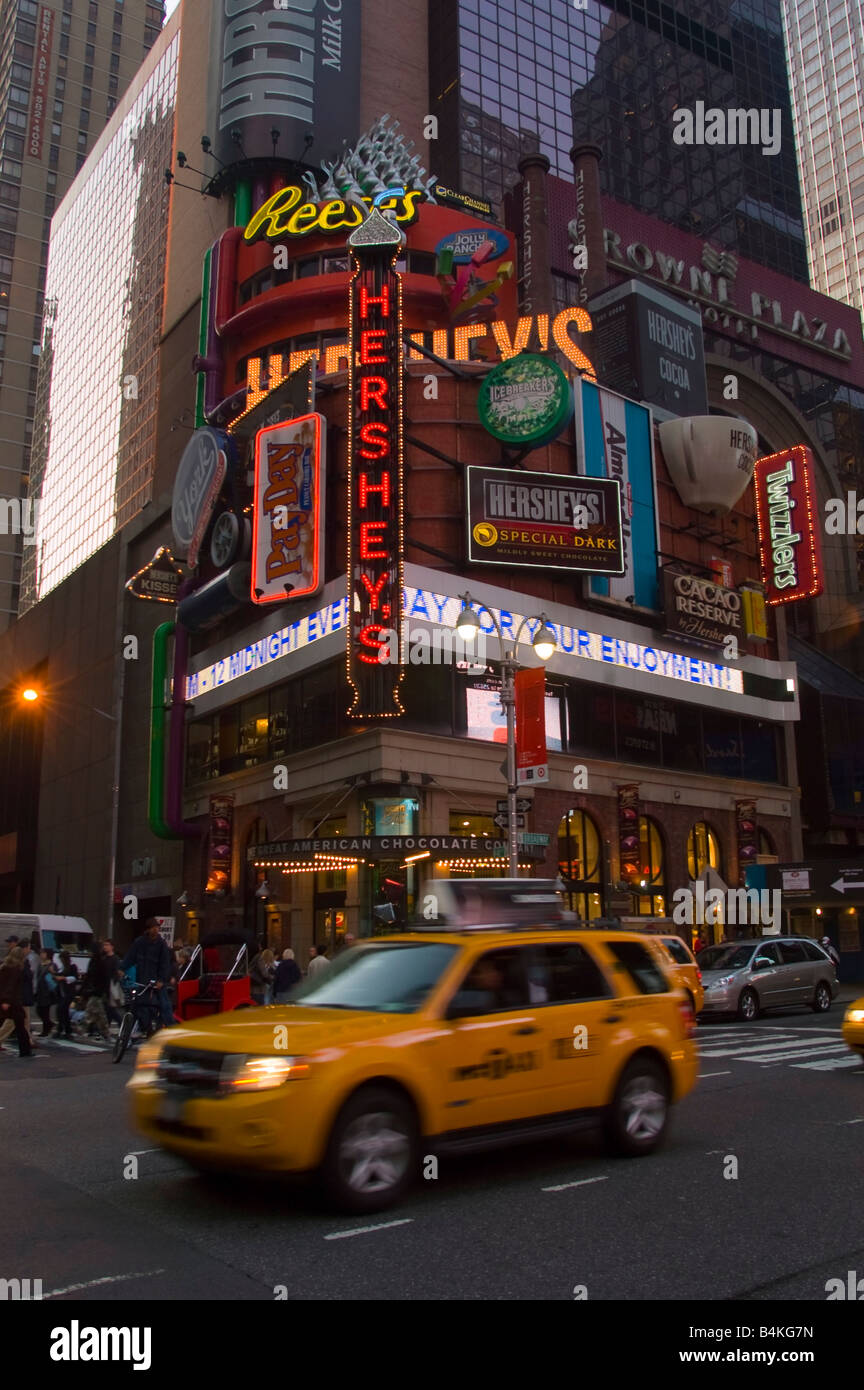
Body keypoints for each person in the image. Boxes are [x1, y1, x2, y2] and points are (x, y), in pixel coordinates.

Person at [120, 919, 175, 1030]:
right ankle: (139, 1028)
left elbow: (165, 964)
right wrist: (121, 969)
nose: (156, 930)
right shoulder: (139, 943)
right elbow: (130, 957)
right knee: (137, 1005)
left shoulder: (162, 944)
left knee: (164, 1005)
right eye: (153, 927)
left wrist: (161, 980)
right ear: (148, 929)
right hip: (142, 981)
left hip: (156, 981)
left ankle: (172, 1029)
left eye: (157, 927)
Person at [0, 947, 34, 1058]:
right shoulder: (16, 969)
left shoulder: (5, 967)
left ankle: (25, 1050)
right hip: (13, 1001)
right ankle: (25, 1051)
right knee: (21, 1026)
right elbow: (11, 985)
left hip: (7, 1000)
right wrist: (6, 1000)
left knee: (19, 1025)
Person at [82, 944, 111, 1041]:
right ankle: (104, 1032)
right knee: (99, 1014)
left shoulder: (100, 963)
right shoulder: (95, 962)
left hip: (97, 991)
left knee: (93, 1011)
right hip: (94, 991)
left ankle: (82, 1027)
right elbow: (89, 976)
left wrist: (105, 992)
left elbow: (104, 979)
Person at [54, 950, 78, 1039]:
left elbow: (74, 978)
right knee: (61, 1010)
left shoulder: (72, 967)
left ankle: (66, 1030)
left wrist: (63, 978)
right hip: (62, 991)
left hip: (69, 992)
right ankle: (63, 1029)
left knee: (63, 1009)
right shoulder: (62, 967)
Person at [34, 947, 57, 1037]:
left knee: (44, 1010)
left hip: (47, 992)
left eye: (43, 953)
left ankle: (46, 1029)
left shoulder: (51, 965)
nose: (41, 954)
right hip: (40, 991)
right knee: (39, 1010)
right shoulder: (41, 964)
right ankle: (48, 1025)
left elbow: (53, 978)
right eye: (41, 953)